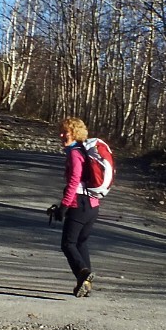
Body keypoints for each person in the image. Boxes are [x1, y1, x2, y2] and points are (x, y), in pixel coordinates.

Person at [56, 116, 100, 297]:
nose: (61, 135)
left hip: (79, 205)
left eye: (65, 132)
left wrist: (64, 205)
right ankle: (86, 285)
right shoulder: (85, 152)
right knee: (81, 243)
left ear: (74, 134)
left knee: (68, 244)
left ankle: (83, 273)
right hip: (93, 205)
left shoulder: (75, 154)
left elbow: (74, 181)